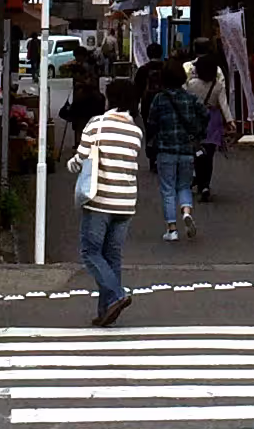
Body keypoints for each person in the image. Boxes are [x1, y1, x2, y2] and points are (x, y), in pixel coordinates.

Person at [67, 78, 142, 327]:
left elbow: (81, 158)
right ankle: (105, 311)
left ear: (110, 99)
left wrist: (72, 165)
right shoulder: (135, 131)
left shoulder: (97, 124)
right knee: (112, 256)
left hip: (100, 199)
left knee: (90, 252)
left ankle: (117, 295)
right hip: (126, 201)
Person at [144, 58, 207, 240]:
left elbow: (151, 123)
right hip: (187, 149)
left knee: (168, 189)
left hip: (166, 150)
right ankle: (186, 211)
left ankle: (172, 229)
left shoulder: (159, 99)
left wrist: (154, 140)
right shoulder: (190, 98)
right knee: (184, 186)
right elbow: (205, 114)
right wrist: (198, 132)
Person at [187, 53, 234, 203]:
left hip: (195, 120)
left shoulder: (191, 85)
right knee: (209, 155)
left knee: (197, 152)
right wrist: (230, 121)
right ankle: (205, 184)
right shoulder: (218, 86)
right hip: (213, 121)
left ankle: (199, 180)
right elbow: (224, 105)